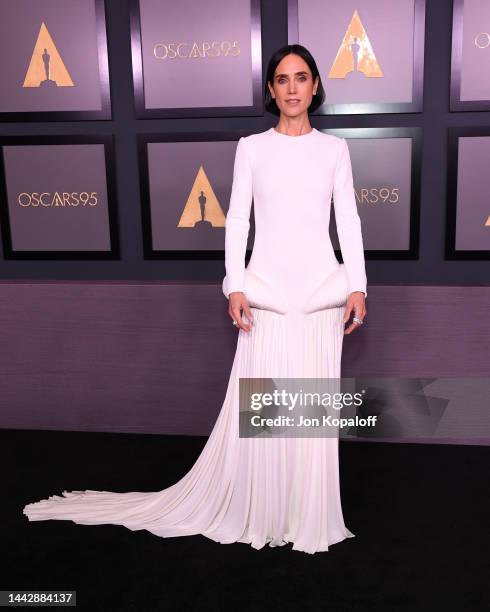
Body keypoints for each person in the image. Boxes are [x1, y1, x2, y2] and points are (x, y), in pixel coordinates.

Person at [23, 44, 367, 554]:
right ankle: (265, 511)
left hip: (320, 297)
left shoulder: (335, 149)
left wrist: (358, 284)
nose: (292, 88)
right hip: (267, 295)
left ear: (316, 85)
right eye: (281, 79)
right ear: (271, 90)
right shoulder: (251, 147)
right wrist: (235, 285)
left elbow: (349, 222)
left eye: (301, 78)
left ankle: (306, 514)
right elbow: (240, 222)